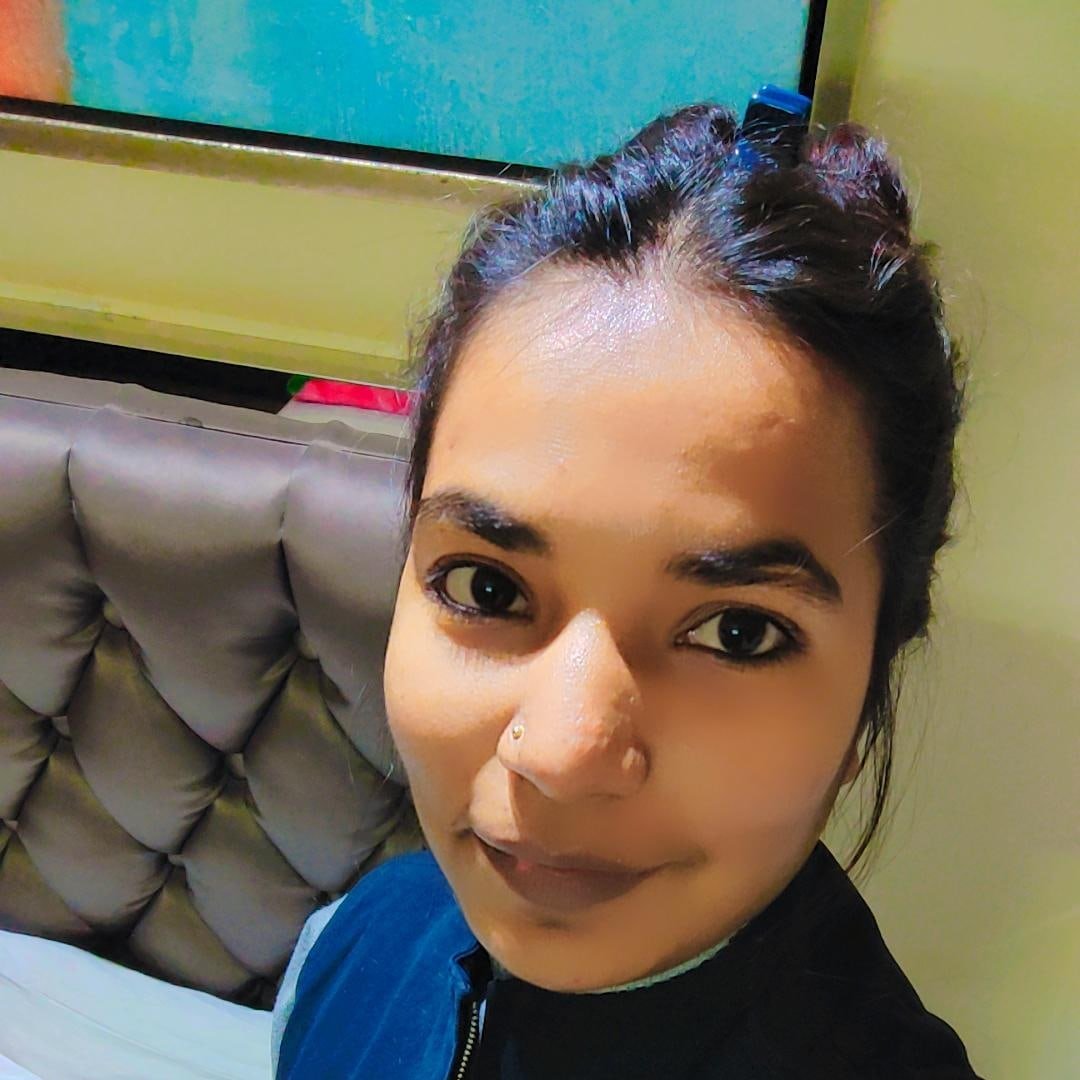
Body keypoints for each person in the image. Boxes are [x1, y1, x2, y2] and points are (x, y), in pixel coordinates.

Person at [273, 96, 983, 1078]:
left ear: (867, 698)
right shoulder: (357, 947)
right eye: (486, 587)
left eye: (738, 632)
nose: (563, 757)